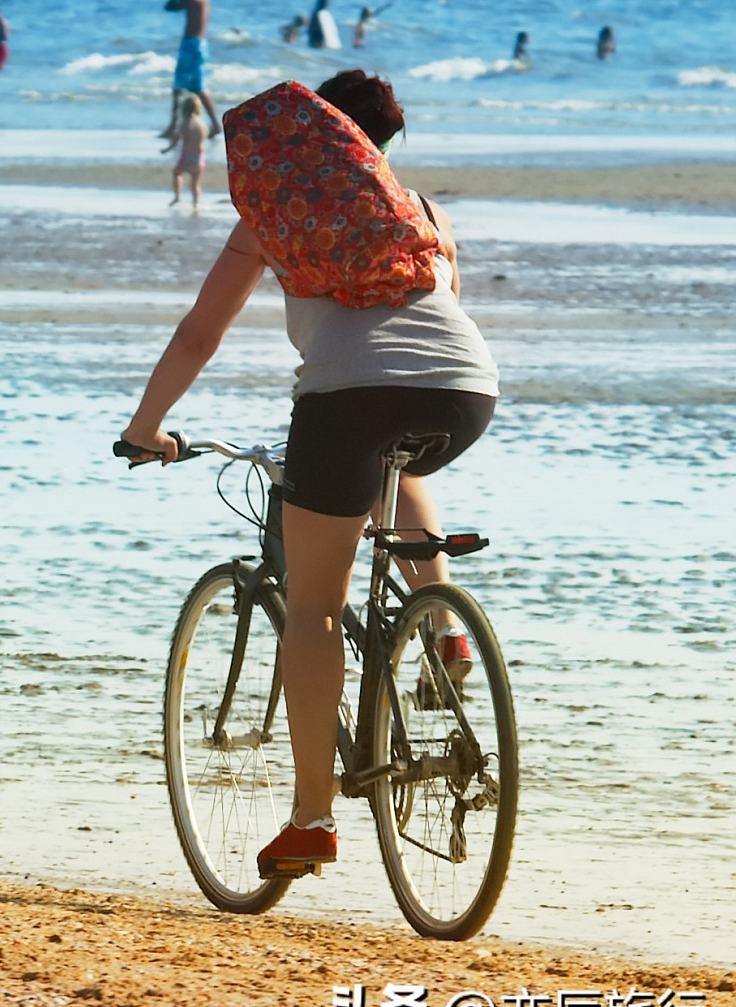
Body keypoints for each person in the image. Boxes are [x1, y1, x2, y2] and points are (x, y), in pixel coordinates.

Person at [121, 69, 498, 877]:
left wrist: (145, 426)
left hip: (345, 402)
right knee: (398, 454)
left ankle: (313, 818)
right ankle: (442, 623)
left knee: (316, 610)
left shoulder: (276, 209)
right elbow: (436, 322)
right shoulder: (424, 211)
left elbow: (198, 335)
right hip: (468, 390)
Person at [163, 0, 217, 140]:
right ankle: (215, 123)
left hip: (190, 46)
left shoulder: (192, 0)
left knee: (179, 88)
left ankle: (173, 126)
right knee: (198, 88)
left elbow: (169, 6)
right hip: (201, 45)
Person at [164, 91, 210, 206]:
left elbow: (176, 138)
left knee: (176, 173)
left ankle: (177, 197)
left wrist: (168, 149)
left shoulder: (185, 122)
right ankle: (196, 202)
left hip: (187, 155)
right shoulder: (202, 123)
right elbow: (205, 137)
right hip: (200, 156)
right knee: (196, 182)